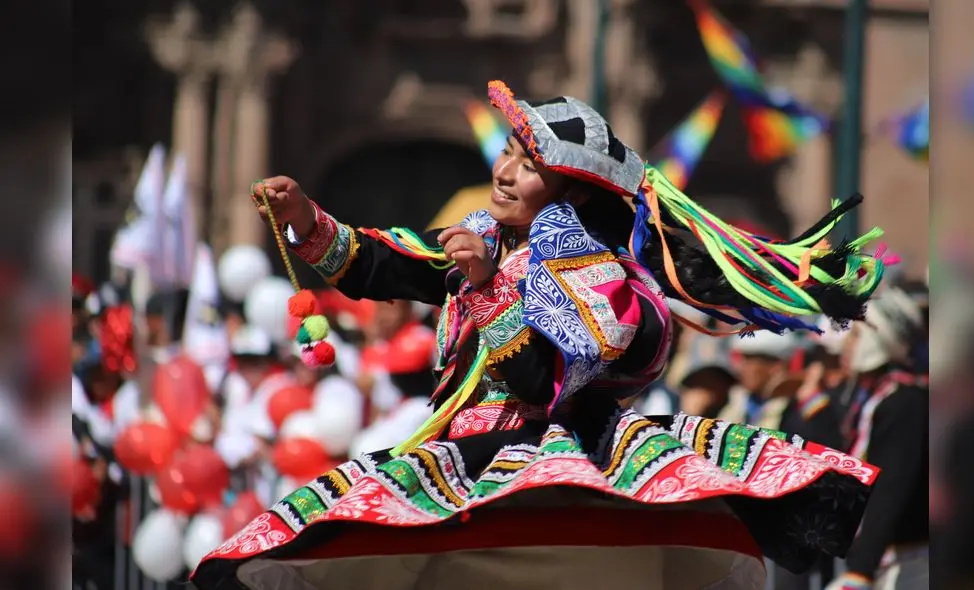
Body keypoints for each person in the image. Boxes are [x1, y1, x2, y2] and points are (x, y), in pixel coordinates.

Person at [193, 81, 886, 590]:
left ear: (575, 192)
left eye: (528, 165)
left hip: (553, 481)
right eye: (509, 154)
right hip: (464, 466)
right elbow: (388, 262)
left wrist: (491, 286)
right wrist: (304, 218)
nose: (501, 172)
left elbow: (545, 386)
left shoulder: (598, 276)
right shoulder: (489, 241)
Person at [824, 288, 929, 590]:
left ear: (876, 340)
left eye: (856, 335)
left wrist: (861, 569)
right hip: (882, 557)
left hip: (909, 562)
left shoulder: (905, 402)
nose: (846, 344)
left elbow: (892, 485)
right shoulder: (872, 398)